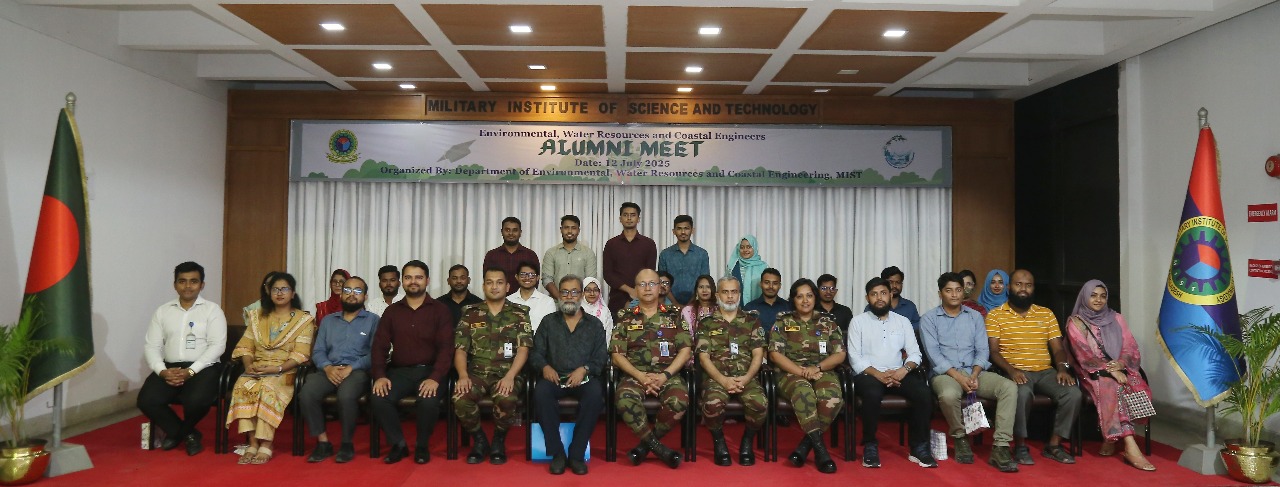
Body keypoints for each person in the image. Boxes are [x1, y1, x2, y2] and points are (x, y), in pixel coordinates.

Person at [920, 272, 1019, 472]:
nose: (954, 294)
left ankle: (1001, 446)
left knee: (1008, 387)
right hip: (946, 374)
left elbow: (982, 349)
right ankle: (960, 438)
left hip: (975, 372)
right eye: (949, 290)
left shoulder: (975, 317)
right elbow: (934, 356)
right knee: (949, 395)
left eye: (958, 290)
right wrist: (959, 377)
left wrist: (974, 374)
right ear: (940, 293)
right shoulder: (929, 319)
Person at [987, 269, 1081, 466]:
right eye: (1018, 284)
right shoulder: (995, 315)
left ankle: (1054, 445)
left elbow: (1058, 349)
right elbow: (994, 352)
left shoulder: (1046, 314)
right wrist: (1011, 370)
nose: (1023, 289)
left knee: (1073, 394)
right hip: (1016, 370)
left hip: (1045, 371)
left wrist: (1062, 368)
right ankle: (1020, 446)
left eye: (1028, 285)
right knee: (1021, 394)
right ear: (1009, 287)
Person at [369, 260, 455, 465]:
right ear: (402, 281)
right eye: (408, 277)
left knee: (428, 400)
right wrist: (379, 376)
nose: (413, 281)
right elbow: (379, 346)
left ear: (427, 280)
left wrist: (435, 378)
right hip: (400, 372)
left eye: (418, 277)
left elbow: (446, 349)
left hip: (431, 371)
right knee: (379, 397)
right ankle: (398, 444)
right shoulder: (392, 312)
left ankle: (422, 445)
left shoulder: (440, 310)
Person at [138, 261, 227, 456]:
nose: (188, 286)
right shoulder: (163, 311)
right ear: (175, 284)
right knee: (146, 400)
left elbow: (217, 346)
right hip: (170, 367)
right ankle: (189, 434)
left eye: (193, 281)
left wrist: (191, 371)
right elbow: (152, 346)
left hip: (204, 368)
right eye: (182, 281)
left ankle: (178, 433)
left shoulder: (212, 310)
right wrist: (162, 371)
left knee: (196, 401)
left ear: (202, 285)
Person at [226, 272, 315, 465]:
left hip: (286, 371)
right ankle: (252, 443)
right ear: (269, 292)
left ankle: (266, 444)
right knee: (242, 386)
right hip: (257, 368)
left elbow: (301, 354)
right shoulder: (257, 317)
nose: (280, 293)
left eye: (284, 289)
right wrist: (249, 365)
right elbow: (245, 346)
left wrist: (278, 368)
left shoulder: (303, 320)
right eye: (275, 289)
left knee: (267, 389)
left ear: (293, 293)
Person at [1065, 280, 1155, 471]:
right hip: (1090, 372)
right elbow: (1083, 354)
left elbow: (1130, 346)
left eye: (1103, 296)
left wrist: (1121, 363)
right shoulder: (1076, 322)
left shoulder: (1117, 318)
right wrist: (1109, 369)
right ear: (1085, 296)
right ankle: (1130, 445)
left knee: (1132, 383)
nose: (1098, 300)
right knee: (1111, 385)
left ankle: (1110, 438)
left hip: (1119, 368)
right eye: (1093, 295)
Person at [848, 277, 937, 469]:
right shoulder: (858, 322)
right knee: (872, 393)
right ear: (867, 298)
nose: (879, 298)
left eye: (883, 293)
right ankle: (870, 445)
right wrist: (878, 374)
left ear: (890, 295)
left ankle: (919, 447)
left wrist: (903, 370)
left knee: (923, 392)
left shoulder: (903, 322)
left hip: (899, 373)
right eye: (874, 294)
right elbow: (854, 358)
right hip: (869, 375)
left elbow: (915, 354)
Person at [453, 268, 534, 465]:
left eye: (499, 282)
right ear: (483, 286)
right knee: (460, 398)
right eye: (489, 282)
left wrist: (510, 376)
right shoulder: (471, 313)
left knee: (506, 398)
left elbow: (523, 349)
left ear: (507, 286)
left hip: (508, 372)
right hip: (477, 372)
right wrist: (463, 375)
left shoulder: (519, 313)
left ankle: (499, 439)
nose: (494, 286)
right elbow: (460, 350)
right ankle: (480, 440)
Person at [611, 269, 689, 469]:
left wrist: (664, 375)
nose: (647, 288)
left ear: (660, 287)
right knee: (624, 398)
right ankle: (659, 448)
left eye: (652, 283)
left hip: (668, 374)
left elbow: (685, 350)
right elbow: (617, 355)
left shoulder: (674, 315)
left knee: (679, 400)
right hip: (635, 374)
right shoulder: (625, 316)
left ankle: (644, 447)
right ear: (636, 289)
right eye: (642, 284)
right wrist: (640, 376)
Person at [531, 275, 608, 475]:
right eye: (564, 292)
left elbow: (601, 357)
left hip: (584, 378)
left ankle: (576, 454)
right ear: (559, 295)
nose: (569, 296)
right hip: (554, 377)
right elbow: (536, 352)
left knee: (595, 394)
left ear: (581, 295)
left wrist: (585, 369)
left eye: (574, 292)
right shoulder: (548, 322)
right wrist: (545, 367)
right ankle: (557, 453)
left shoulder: (594, 324)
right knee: (541, 392)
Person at [769, 278, 845, 474]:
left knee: (832, 397)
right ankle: (821, 453)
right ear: (793, 299)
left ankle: (804, 446)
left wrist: (817, 368)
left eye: (809, 296)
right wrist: (802, 371)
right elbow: (775, 354)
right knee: (804, 393)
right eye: (800, 296)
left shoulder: (827, 322)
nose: (805, 300)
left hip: (822, 371)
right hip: (790, 373)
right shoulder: (783, 322)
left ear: (815, 298)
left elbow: (840, 354)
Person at [300, 276, 378, 464]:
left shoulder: (373, 320)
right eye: (347, 290)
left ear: (365, 296)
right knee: (307, 393)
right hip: (329, 369)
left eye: (357, 291)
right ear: (341, 294)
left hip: (357, 371)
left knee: (346, 395)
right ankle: (323, 442)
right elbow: (318, 351)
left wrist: (352, 367)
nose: (352, 294)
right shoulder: (328, 321)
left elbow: (376, 353)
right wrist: (327, 367)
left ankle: (346, 444)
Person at [696, 276, 766, 467]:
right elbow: (703, 358)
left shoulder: (752, 321)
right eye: (725, 292)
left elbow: (758, 355)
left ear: (739, 294)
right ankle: (719, 442)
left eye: (734, 292)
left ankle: (747, 441)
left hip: (746, 377)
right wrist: (723, 380)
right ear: (717, 295)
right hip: (716, 378)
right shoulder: (706, 323)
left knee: (760, 404)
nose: (729, 296)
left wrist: (747, 378)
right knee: (711, 404)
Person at [602, 202, 657, 314]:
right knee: (617, 325)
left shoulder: (649, 244)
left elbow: (650, 272)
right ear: (620, 219)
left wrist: (638, 290)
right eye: (625, 215)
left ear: (638, 219)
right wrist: (629, 290)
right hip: (617, 298)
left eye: (633, 215)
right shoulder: (611, 244)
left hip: (643, 297)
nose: (629, 218)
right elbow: (608, 274)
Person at [657, 215, 711, 307]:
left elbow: (704, 282)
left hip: (696, 303)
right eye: (679, 228)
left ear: (692, 230)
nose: (683, 232)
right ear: (673, 231)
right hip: (669, 303)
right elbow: (662, 283)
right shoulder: (665, 254)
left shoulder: (702, 254)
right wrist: (675, 304)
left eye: (686, 228)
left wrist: (690, 305)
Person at [542, 214, 598, 301]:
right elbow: (547, 279)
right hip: (556, 303)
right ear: (561, 230)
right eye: (566, 227)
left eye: (573, 228)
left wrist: (576, 300)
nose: (569, 231)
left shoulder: (588, 253)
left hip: (581, 304)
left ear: (578, 231)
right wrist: (561, 299)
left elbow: (590, 281)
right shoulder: (551, 253)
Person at [483, 216, 540, 295]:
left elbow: (535, 281)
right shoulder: (491, 255)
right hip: (498, 299)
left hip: (524, 300)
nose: (511, 233)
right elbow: (488, 281)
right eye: (507, 230)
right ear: (501, 232)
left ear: (520, 232)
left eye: (515, 230)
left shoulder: (530, 255)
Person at [507, 261, 557, 332]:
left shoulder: (547, 302)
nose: (527, 278)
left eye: (531, 275)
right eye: (523, 274)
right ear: (516, 277)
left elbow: (550, 329)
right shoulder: (508, 301)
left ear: (538, 278)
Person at [742, 268, 790, 334]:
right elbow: (744, 333)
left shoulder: (788, 307)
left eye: (775, 283)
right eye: (767, 283)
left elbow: (794, 332)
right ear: (761, 284)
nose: (771, 286)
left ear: (779, 286)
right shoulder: (750, 308)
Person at [726, 235, 767, 304]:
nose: (745, 250)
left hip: (758, 306)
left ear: (754, 248)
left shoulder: (763, 267)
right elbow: (725, 286)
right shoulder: (732, 266)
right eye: (742, 247)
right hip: (735, 307)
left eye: (748, 247)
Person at [580, 277, 614, 342]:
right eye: (588, 290)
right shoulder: (577, 311)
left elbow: (609, 334)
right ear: (582, 292)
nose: (592, 293)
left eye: (595, 290)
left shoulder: (605, 311)